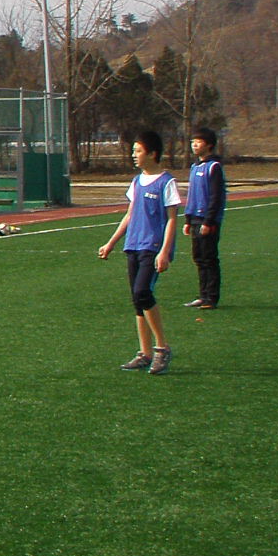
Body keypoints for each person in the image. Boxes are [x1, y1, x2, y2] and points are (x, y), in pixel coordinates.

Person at [98, 129, 182, 375]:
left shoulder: (167, 182)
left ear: (152, 153)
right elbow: (130, 214)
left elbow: (172, 220)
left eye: (138, 150)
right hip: (133, 245)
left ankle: (162, 348)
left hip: (152, 247)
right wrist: (111, 242)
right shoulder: (136, 181)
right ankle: (144, 353)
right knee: (137, 301)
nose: (134, 155)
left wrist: (165, 251)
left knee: (143, 292)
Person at [183, 126, 227, 309]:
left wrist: (209, 221)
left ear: (208, 145)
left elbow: (216, 197)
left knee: (209, 258)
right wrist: (187, 220)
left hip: (207, 220)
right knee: (198, 258)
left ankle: (212, 297)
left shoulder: (214, 167)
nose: (194, 145)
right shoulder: (195, 167)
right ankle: (202, 295)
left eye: (198, 142)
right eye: (193, 142)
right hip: (194, 219)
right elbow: (192, 195)